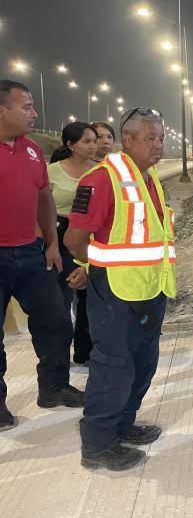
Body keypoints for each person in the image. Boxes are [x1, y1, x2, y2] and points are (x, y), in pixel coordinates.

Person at [65, 107, 175, 471]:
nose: (158, 145)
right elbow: (75, 239)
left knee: (143, 363)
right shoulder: (102, 179)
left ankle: (123, 424)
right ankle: (98, 444)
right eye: (150, 138)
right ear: (127, 139)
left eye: (161, 138)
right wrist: (94, 267)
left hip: (150, 288)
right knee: (113, 367)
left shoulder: (148, 176)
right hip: (114, 292)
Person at [0, 80, 84, 431]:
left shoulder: (32, 150)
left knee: (56, 322)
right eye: (26, 107)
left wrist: (51, 242)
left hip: (32, 252)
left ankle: (54, 387)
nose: (34, 114)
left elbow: (43, 198)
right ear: (1, 110)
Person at [49, 122, 97, 365]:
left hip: (89, 236)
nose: (93, 146)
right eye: (87, 141)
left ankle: (84, 352)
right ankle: (58, 355)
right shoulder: (52, 171)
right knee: (61, 299)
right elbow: (39, 207)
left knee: (88, 297)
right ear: (70, 144)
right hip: (58, 235)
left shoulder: (100, 171)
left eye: (95, 141)